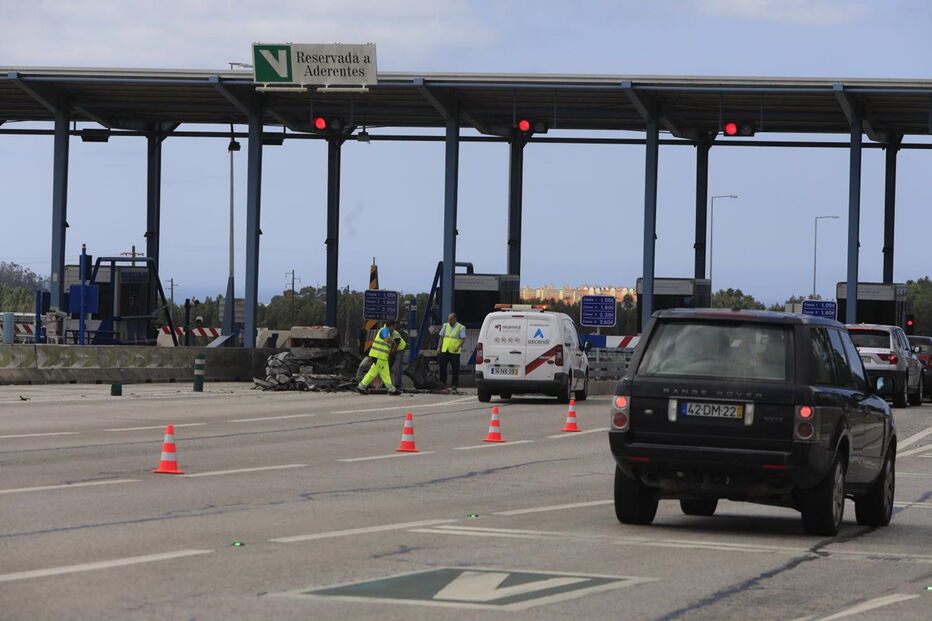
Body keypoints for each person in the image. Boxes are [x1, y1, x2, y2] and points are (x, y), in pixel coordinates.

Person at [357, 319, 402, 395]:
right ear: (391, 326)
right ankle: (391, 390)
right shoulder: (385, 330)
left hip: (381, 357)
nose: (394, 329)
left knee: (382, 373)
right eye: (394, 326)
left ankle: (391, 389)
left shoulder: (385, 330)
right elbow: (386, 338)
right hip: (379, 356)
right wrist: (393, 342)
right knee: (375, 373)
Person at [436, 312, 466, 391]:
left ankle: (454, 385)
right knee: (442, 367)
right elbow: (441, 337)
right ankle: (443, 383)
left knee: (455, 369)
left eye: (450, 319)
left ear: (455, 319)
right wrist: (439, 347)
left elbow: (463, 339)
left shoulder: (460, 327)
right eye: (448, 319)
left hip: (454, 351)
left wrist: (458, 347)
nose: (449, 321)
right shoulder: (445, 326)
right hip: (445, 350)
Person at [389, 323, 408, 389]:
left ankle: (397, 384)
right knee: (388, 367)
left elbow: (396, 345)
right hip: (393, 349)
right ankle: (386, 383)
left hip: (400, 349)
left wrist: (392, 352)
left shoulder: (395, 333)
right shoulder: (385, 332)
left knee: (397, 367)